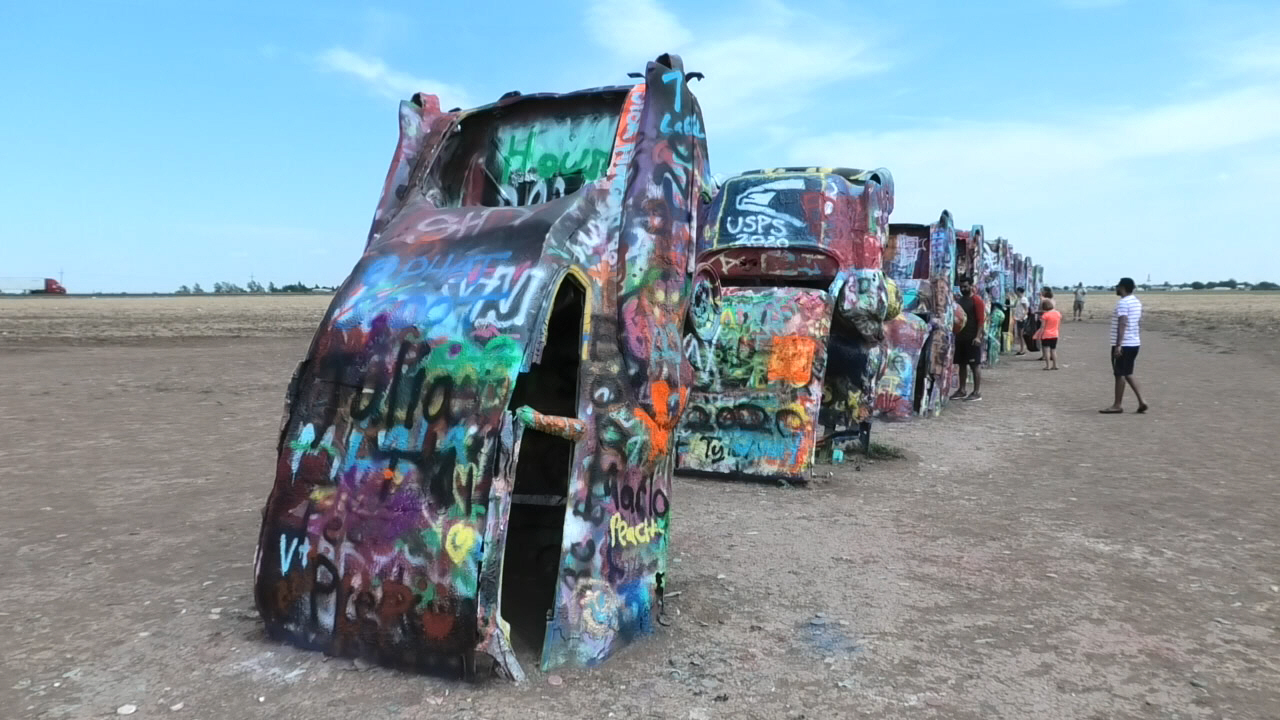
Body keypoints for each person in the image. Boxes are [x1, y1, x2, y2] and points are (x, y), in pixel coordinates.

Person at [1100, 277, 1148, 414]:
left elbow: (1123, 322)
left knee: (1120, 374)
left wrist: (1118, 345)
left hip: (1124, 343)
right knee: (1127, 372)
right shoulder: (1136, 302)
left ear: (1122, 287)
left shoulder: (1123, 303)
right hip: (1134, 342)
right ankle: (1141, 401)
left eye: (1117, 286)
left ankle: (1118, 404)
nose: (1116, 289)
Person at [951, 276, 985, 401]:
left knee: (975, 365)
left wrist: (977, 337)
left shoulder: (976, 301)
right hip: (960, 338)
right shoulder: (959, 301)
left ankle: (976, 392)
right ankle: (962, 390)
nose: (963, 289)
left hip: (972, 338)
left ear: (971, 285)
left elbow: (981, 321)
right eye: (961, 287)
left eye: (965, 286)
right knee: (962, 365)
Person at [1034, 298, 1061, 370]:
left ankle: (1048, 366)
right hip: (1055, 334)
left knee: (1046, 350)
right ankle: (1055, 365)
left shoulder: (1045, 315)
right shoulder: (1057, 313)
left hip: (1046, 334)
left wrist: (1040, 334)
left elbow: (1042, 326)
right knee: (1053, 350)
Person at [1012, 287, 1030, 355]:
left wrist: (1022, 317)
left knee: (1021, 335)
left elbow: (1026, 310)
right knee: (1020, 335)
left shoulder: (1023, 300)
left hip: (1021, 319)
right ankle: (1022, 348)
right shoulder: (1020, 299)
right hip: (1019, 318)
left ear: (1019, 292)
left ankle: (1022, 349)